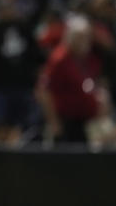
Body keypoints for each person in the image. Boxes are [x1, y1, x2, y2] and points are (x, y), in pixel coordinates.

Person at [36, 13, 102, 143]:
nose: (85, 41)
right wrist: (54, 123)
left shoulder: (87, 58)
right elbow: (43, 91)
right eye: (80, 37)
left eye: (87, 36)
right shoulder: (59, 59)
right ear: (69, 37)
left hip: (84, 123)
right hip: (65, 123)